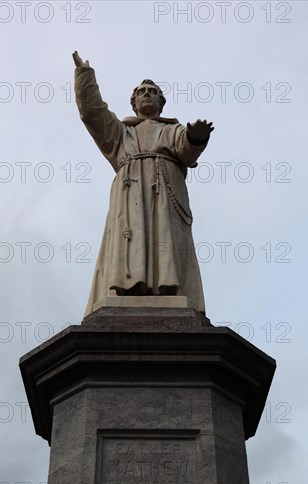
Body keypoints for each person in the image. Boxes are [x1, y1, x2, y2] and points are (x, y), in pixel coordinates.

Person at [73, 51, 214, 316]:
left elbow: (185, 150)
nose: (147, 94)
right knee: (132, 235)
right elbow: (93, 113)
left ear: (161, 103)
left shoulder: (172, 130)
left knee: (165, 237)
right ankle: (128, 287)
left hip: (165, 191)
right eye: (142, 91)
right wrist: (85, 78)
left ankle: (167, 288)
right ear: (134, 102)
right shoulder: (121, 132)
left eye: (153, 91)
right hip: (130, 191)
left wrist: (195, 138)